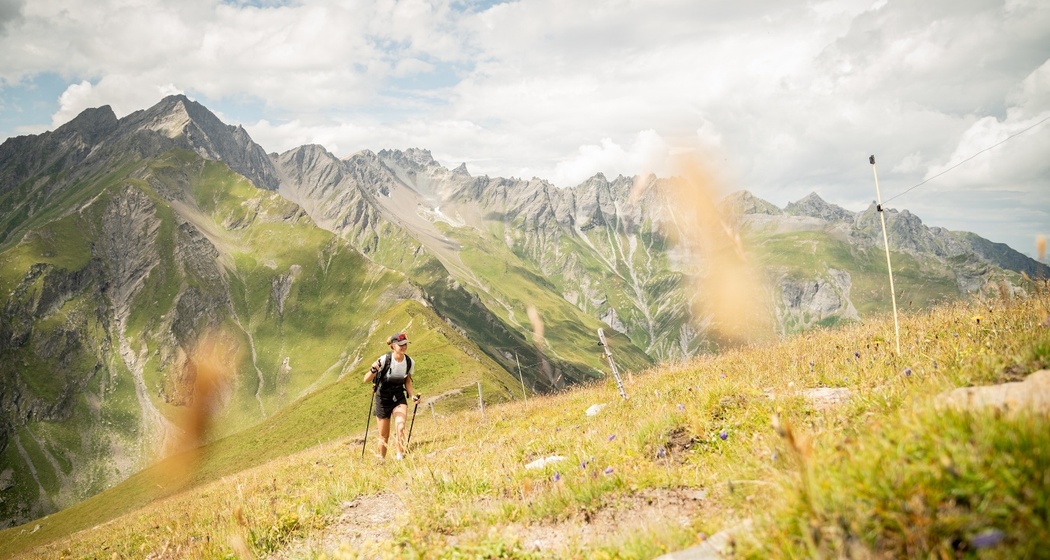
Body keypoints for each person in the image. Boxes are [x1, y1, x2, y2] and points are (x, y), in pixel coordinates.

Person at [363, 332, 420, 459]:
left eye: (405, 344)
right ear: (393, 346)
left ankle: (400, 457)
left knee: (400, 427)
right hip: (382, 399)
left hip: (398, 397)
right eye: (401, 344)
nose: (404, 347)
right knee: (384, 436)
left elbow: (407, 381)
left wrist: (412, 396)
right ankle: (381, 460)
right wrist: (373, 370)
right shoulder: (384, 360)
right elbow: (366, 379)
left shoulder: (409, 362)